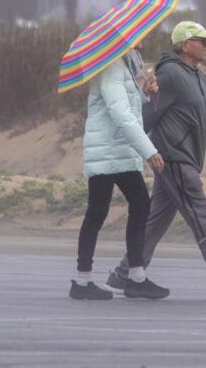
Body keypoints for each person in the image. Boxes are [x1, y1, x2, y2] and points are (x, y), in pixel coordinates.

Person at [106, 20, 206, 301]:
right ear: (184, 45)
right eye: (201, 40)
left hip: (186, 160)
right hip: (173, 159)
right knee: (200, 215)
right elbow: (147, 115)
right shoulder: (169, 74)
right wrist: (138, 143)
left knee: (155, 222)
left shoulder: (198, 77)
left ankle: (123, 277)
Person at [71, 48, 169, 301]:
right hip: (106, 151)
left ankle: (136, 278)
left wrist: (146, 94)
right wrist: (149, 151)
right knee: (97, 213)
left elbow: (131, 109)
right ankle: (82, 281)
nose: (137, 43)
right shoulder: (111, 66)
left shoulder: (124, 64)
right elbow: (121, 115)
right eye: (133, 39)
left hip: (121, 152)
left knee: (140, 205)